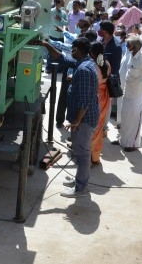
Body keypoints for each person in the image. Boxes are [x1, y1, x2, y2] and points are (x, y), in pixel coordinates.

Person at [59, 37, 100, 198]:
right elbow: (64, 59)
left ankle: (80, 187)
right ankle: (79, 180)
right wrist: (47, 45)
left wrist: (76, 121)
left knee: (82, 154)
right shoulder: (86, 63)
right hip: (83, 118)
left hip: (84, 119)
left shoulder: (83, 70)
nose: (71, 51)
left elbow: (84, 101)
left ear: (79, 50)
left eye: (73, 49)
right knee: (78, 151)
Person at [116, 35, 142, 151]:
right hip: (127, 91)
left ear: (134, 46)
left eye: (128, 44)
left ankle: (132, 144)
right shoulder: (131, 56)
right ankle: (123, 140)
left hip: (137, 93)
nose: (126, 46)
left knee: (134, 119)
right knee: (125, 116)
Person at [89, 42, 111, 165]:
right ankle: (95, 157)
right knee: (98, 129)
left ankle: (88, 157)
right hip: (104, 97)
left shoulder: (92, 66)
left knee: (90, 129)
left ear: (92, 53)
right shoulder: (106, 64)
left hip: (94, 98)